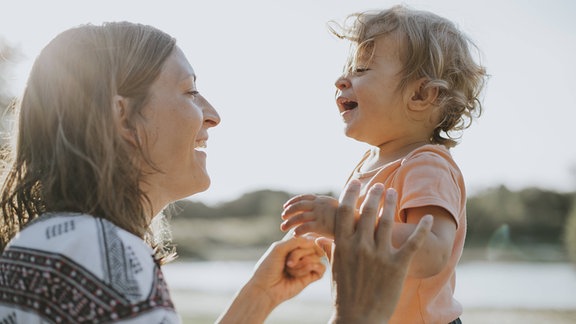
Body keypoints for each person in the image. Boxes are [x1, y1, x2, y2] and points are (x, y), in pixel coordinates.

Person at [0, 21, 432, 323]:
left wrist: (256, 300)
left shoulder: (65, 241)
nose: (213, 116)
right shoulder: (96, 253)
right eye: (189, 91)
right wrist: (359, 313)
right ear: (123, 117)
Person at [281, 5, 487, 324]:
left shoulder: (426, 165)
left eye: (361, 70)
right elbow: (360, 243)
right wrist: (316, 250)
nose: (341, 80)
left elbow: (431, 250)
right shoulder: (369, 164)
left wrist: (338, 222)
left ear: (420, 94)